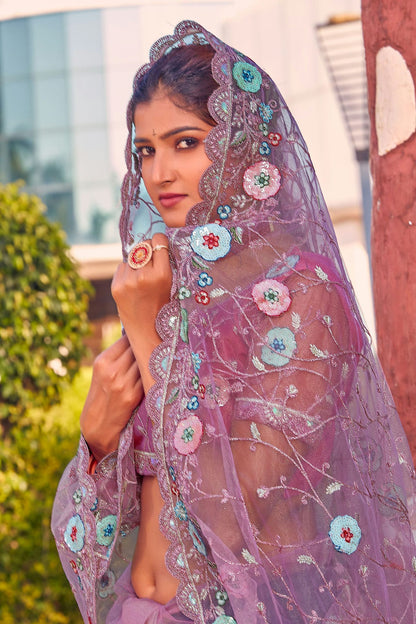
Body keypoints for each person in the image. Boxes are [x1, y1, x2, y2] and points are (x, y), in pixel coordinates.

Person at [52, 20, 416, 624]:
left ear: (245, 145)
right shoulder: (168, 289)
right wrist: (96, 439)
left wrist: (145, 332)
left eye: (185, 142)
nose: (160, 173)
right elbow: (121, 513)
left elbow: (231, 514)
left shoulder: (303, 294)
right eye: (146, 151)